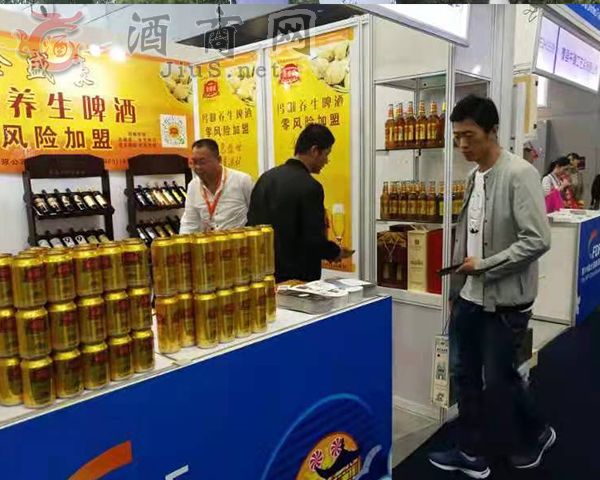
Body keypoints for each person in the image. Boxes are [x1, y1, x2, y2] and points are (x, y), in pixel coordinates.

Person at [428, 95, 554, 479]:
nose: (462, 145)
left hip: (505, 302)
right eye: (457, 137)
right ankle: (471, 451)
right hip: (469, 297)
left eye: (469, 136)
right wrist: (457, 290)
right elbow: (466, 237)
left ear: (492, 131)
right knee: (464, 375)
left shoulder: (519, 174)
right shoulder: (473, 177)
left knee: (501, 381)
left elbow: (537, 240)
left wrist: (483, 267)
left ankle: (536, 434)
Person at [246, 124, 353, 283]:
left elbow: (252, 226)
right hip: (298, 280)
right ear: (314, 150)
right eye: (326, 154)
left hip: (264, 275)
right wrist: (335, 253)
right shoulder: (311, 187)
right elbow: (313, 239)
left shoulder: (266, 179)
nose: (326, 161)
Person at [180, 139, 253, 234]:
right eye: (194, 162)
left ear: (218, 160)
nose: (197, 167)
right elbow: (189, 223)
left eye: (202, 162)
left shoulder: (242, 180)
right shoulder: (193, 186)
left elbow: (257, 214)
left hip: (239, 241)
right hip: (209, 242)